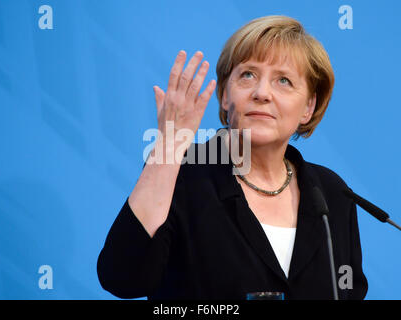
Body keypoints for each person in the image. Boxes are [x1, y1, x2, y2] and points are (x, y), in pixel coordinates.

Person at [97, 15, 368, 300]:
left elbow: (350, 292)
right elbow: (122, 278)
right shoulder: (182, 172)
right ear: (225, 95)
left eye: (284, 81)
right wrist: (168, 150)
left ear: (308, 107)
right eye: (248, 75)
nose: (262, 93)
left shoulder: (330, 192)